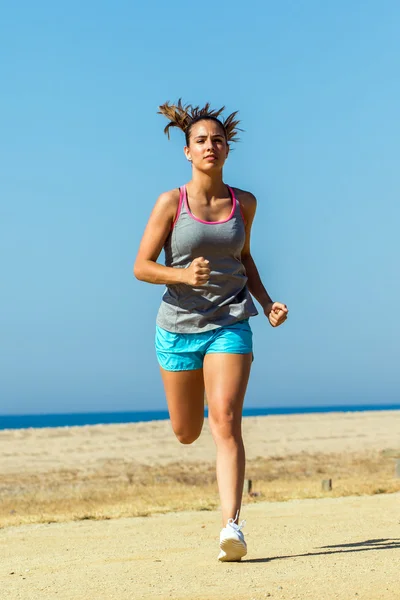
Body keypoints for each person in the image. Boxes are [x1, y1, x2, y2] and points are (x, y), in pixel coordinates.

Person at [133, 100, 288, 562]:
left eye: (217, 140)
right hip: (178, 326)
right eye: (200, 140)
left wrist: (266, 302)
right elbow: (141, 267)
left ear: (227, 149)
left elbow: (244, 258)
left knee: (225, 420)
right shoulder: (170, 202)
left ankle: (231, 527)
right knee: (187, 431)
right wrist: (181, 276)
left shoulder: (244, 202)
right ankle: (191, 420)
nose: (210, 147)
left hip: (230, 320)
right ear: (187, 151)